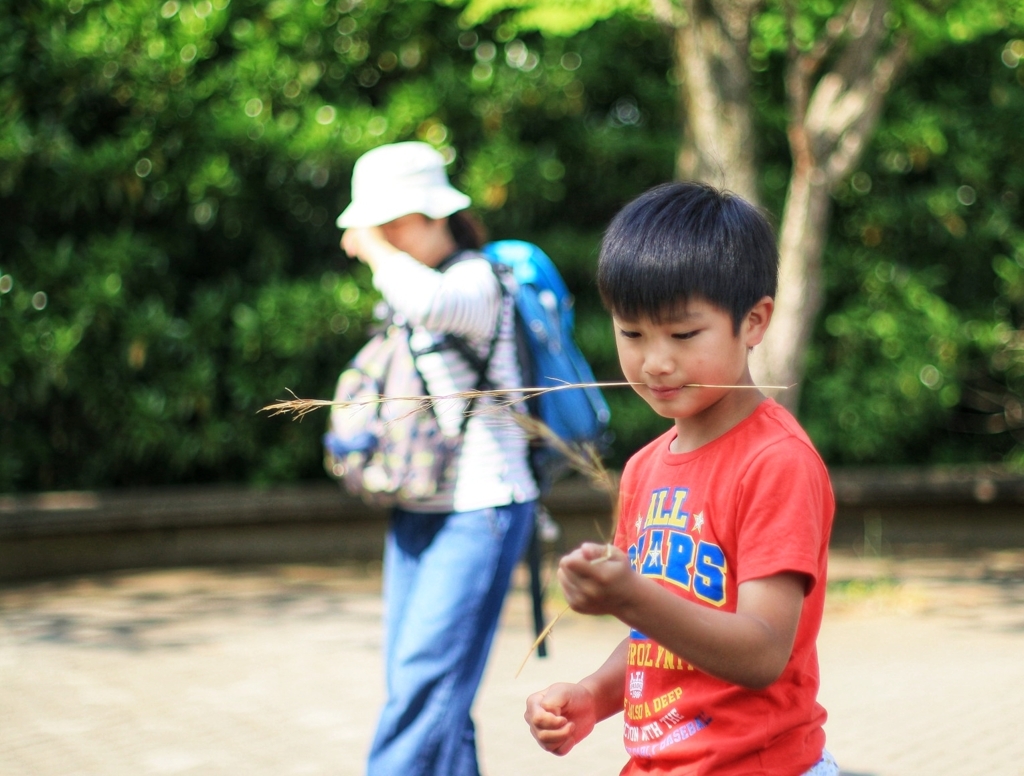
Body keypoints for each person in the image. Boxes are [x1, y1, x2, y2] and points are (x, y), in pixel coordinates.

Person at [524, 181, 838, 776]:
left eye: (683, 334)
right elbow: (659, 640)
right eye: (632, 333)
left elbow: (763, 652)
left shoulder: (776, 462)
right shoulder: (644, 468)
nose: (654, 361)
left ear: (754, 321)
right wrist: (593, 695)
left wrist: (630, 595)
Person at [337, 142, 540, 776]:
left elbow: (431, 304)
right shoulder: (410, 287)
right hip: (419, 509)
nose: (385, 240)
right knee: (427, 692)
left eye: (395, 224)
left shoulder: (478, 281)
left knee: (423, 689)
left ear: (436, 217)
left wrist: (372, 247)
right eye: (379, 228)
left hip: (481, 508)